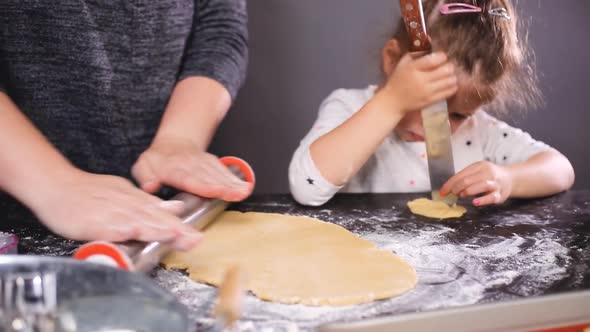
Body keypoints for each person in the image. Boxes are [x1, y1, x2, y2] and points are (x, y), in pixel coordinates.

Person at [0, 0, 252, 250]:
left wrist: (180, 138)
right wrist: (52, 184)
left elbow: (218, 25)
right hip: (14, 223)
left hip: (166, 211)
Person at [289, 0, 574, 207]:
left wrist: (509, 179)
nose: (436, 125)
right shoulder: (348, 107)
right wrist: (391, 104)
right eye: (426, 104)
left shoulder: (479, 132)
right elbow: (306, 188)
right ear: (392, 60)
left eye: (460, 114)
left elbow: (561, 169)